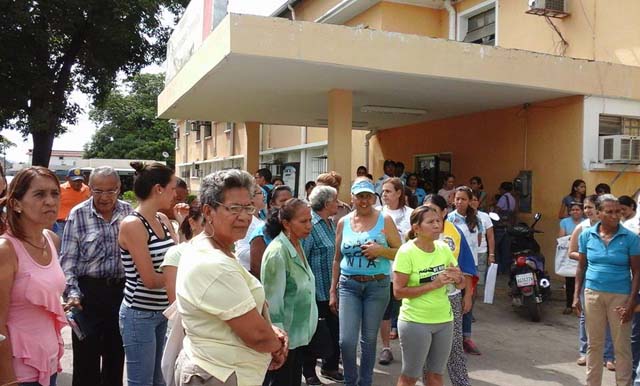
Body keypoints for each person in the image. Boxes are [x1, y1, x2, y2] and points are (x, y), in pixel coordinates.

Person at [174, 169, 288, 386]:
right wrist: (277, 344)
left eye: (248, 207)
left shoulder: (214, 248)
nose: (244, 216)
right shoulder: (213, 263)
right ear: (208, 211)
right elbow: (257, 335)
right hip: (218, 373)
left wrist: (271, 333)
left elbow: (236, 313)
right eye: (234, 208)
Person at [59, 166, 133, 386]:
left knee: (116, 358)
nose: (104, 197)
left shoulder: (129, 213)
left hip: (120, 293)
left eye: (110, 191)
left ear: (119, 189)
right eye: (98, 191)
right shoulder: (78, 214)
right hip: (87, 295)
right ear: (89, 189)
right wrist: (72, 293)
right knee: (86, 362)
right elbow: (68, 261)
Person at [329, 178, 401, 386]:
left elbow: (401, 252)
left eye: (368, 196)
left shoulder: (385, 220)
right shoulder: (343, 222)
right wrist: (333, 290)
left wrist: (381, 251)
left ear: (373, 197)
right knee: (347, 341)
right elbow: (337, 258)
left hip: (377, 286)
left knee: (368, 340)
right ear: (352, 197)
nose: (364, 200)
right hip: (348, 285)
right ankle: (351, 381)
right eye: (360, 196)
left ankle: (365, 382)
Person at [0, 167, 66, 386]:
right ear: (16, 203)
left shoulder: (50, 239)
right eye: (39, 194)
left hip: (49, 365)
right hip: (19, 374)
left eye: (54, 193)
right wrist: (8, 380)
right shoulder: (6, 250)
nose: (50, 201)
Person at [118, 162, 179, 386]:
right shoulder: (133, 224)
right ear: (158, 189)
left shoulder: (162, 220)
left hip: (162, 312)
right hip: (139, 314)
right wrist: (178, 275)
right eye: (172, 188)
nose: (176, 194)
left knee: (160, 379)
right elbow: (150, 279)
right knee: (141, 381)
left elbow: (178, 255)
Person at [393, 206, 465, 386]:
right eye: (430, 222)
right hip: (415, 321)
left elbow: (461, 282)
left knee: (436, 375)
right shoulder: (406, 252)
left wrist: (458, 279)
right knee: (410, 376)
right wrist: (433, 284)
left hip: (444, 321)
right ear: (416, 228)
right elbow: (398, 292)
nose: (436, 225)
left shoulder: (443, 248)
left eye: (438, 221)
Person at [573, 194, 640, 386]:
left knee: (622, 347)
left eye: (618, 211)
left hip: (620, 296)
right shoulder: (587, 235)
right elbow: (581, 266)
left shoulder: (631, 238)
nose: (615, 215)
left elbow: (637, 272)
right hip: (592, 294)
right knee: (594, 345)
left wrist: (631, 302)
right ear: (599, 213)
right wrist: (576, 295)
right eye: (609, 212)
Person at [261, 198, 316, 386]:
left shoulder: (298, 244)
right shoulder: (277, 253)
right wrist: (277, 346)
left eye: (310, 220)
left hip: (300, 336)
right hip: (284, 342)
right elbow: (272, 304)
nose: (309, 226)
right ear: (286, 223)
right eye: (303, 221)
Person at [423, 194, 477, 386]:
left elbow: (467, 267)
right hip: (424, 299)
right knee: (426, 349)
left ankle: (461, 383)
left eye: (435, 212)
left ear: (445, 212)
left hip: (451, 298)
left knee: (454, 347)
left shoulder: (455, 234)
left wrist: (468, 295)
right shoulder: (415, 235)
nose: (431, 217)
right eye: (426, 210)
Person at [301, 186, 344, 385]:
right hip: (316, 291)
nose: (339, 203)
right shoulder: (310, 225)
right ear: (326, 204)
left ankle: (330, 366)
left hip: (333, 289)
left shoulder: (331, 223)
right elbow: (302, 258)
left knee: (335, 331)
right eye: (335, 200)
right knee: (314, 332)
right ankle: (309, 372)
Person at [568, 195, 615, 369]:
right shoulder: (582, 228)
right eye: (585, 207)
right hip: (588, 276)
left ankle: (609, 355)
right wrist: (589, 257)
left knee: (610, 317)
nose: (587, 211)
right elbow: (571, 252)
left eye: (590, 207)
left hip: (609, 279)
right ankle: (584, 352)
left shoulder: (613, 228)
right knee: (585, 316)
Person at [379, 178, 414, 365]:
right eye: (383, 191)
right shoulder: (377, 214)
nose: (384, 194)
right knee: (385, 312)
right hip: (384, 270)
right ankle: (386, 348)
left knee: (405, 311)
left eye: (388, 191)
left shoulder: (411, 215)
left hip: (406, 271)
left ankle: (409, 348)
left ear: (399, 193)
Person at [447, 186, 483, 355]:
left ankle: (466, 337)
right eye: (457, 199)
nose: (460, 202)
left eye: (464, 199)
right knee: (454, 301)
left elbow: (479, 239)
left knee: (468, 302)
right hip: (455, 266)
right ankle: (451, 338)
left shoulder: (476, 219)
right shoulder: (449, 219)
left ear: (470, 201)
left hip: (471, 265)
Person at [161, 200, 205, 304]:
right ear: (192, 223)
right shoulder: (175, 254)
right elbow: (175, 303)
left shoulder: (222, 253)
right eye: (205, 223)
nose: (212, 228)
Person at [249, 185, 293, 278]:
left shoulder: (293, 229)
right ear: (272, 203)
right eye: (283, 201)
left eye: (290, 201)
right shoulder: (261, 233)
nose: (288, 205)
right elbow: (258, 271)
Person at [558, 201, 584, 315]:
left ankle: (581, 307)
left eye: (577, 209)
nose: (575, 212)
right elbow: (561, 238)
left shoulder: (585, 223)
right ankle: (569, 305)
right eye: (573, 210)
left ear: (582, 212)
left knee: (582, 280)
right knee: (569, 281)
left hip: (582, 253)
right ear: (569, 212)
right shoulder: (564, 222)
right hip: (570, 253)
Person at [236, 186, 266, 271]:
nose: (264, 196)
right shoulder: (248, 221)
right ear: (251, 198)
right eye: (260, 193)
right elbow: (241, 251)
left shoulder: (260, 219)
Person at [56, 167, 90, 238]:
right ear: (67, 178)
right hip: (62, 224)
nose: (78, 183)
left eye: (80, 180)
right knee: (61, 245)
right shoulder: (60, 189)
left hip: (81, 223)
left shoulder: (87, 189)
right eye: (74, 181)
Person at [470, 190, 495, 286]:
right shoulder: (460, 217)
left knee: (479, 282)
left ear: (479, 202)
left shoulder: (485, 217)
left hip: (481, 252)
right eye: (471, 200)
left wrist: (491, 255)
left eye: (475, 200)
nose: (473, 202)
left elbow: (490, 236)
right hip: (467, 252)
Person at [494, 181, 517, 274]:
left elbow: (497, 209)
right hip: (509, 225)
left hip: (501, 226)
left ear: (503, 189)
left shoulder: (503, 198)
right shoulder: (513, 198)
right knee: (506, 249)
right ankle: (506, 270)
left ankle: (498, 270)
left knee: (497, 248)